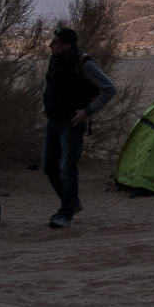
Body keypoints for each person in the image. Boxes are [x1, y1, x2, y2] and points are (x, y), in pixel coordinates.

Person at [41, 26, 116, 229]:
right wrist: (45, 103)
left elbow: (109, 89)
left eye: (55, 42)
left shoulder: (84, 64)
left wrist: (87, 112)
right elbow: (49, 81)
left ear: (67, 46)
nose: (51, 45)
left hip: (71, 124)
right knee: (48, 166)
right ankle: (72, 204)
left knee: (67, 168)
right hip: (53, 121)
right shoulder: (54, 60)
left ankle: (66, 213)